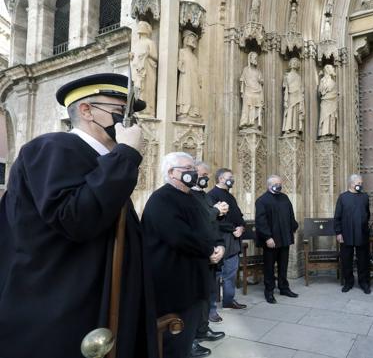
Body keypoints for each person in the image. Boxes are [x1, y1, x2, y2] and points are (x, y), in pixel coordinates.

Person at [0, 73, 157, 358]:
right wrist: (125, 155)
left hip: (98, 304)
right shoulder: (52, 147)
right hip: (61, 312)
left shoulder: (102, 160)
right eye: (120, 112)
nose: (129, 122)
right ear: (86, 110)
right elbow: (74, 218)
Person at [142, 152, 226, 358]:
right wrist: (209, 251)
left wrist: (218, 245)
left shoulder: (191, 197)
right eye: (188, 169)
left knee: (187, 333)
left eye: (193, 169)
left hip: (193, 279)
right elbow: (179, 236)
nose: (194, 173)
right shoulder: (162, 198)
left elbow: (207, 226)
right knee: (174, 338)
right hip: (173, 282)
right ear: (171, 173)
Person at [192, 162, 228, 353]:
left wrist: (220, 246)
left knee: (207, 295)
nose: (206, 177)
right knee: (195, 298)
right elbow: (198, 221)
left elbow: (211, 222)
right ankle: (191, 337)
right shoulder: (188, 196)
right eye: (203, 174)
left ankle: (202, 329)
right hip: (198, 254)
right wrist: (215, 211)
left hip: (211, 250)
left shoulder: (204, 195)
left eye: (207, 174)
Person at [208, 168, 247, 310]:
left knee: (231, 272)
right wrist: (233, 229)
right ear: (221, 179)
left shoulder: (230, 196)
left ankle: (229, 300)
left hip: (234, 239)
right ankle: (211, 308)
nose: (233, 179)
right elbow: (214, 220)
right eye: (230, 177)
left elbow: (238, 216)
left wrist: (241, 227)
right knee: (216, 274)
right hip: (221, 239)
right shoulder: (211, 195)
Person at [255, 175, 299, 303]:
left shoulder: (284, 197)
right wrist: (268, 237)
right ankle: (269, 291)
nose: (279, 185)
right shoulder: (262, 200)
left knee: (283, 265)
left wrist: (293, 227)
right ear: (269, 185)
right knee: (269, 267)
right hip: (271, 240)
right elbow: (261, 222)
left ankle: (284, 288)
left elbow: (291, 215)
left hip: (284, 237)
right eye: (276, 183)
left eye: (280, 183)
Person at [334, 174, 371, 294]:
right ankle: (348, 282)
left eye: (361, 183)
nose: (360, 185)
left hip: (362, 233)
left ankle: (363, 282)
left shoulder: (365, 196)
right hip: (346, 234)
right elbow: (337, 217)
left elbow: (367, 213)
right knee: (346, 260)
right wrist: (339, 233)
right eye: (358, 183)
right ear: (351, 183)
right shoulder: (343, 197)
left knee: (363, 260)